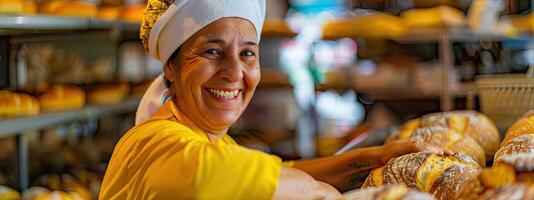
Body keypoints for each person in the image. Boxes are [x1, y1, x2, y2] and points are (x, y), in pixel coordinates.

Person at [100, 0, 449, 199]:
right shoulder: (152, 140)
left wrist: (366, 160)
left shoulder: (201, 136)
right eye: (212, 51)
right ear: (171, 67)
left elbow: (270, 173)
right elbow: (210, 176)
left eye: (248, 54)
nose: (235, 72)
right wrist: (326, 195)